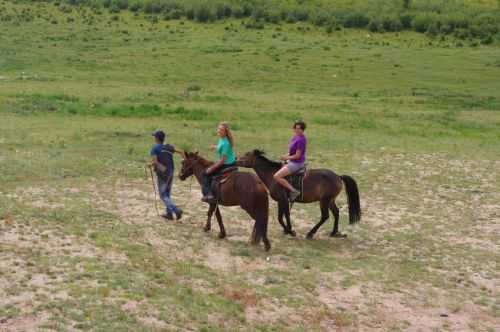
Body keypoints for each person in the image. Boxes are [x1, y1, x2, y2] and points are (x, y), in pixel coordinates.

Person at [149, 130, 183, 221]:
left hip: (162, 174)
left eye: (154, 137)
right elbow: (180, 151)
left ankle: (176, 210)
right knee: (167, 193)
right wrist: (184, 159)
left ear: (156, 138)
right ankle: (169, 214)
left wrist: (158, 168)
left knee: (163, 195)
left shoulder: (154, 148)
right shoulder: (168, 147)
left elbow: (156, 162)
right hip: (171, 172)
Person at [201, 122, 236, 203]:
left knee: (205, 174)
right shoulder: (222, 139)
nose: (219, 131)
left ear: (225, 132)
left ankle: (209, 195)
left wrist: (212, 168)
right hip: (227, 162)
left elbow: (223, 160)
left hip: (226, 164)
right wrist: (215, 147)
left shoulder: (226, 143)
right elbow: (220, 147)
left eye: (221, 130)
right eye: (218, 129)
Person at [274, 120, 307, 202]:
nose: (297, 130)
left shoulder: (301, 140)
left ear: (303, 129)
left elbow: (297, 156)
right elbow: (292, 151)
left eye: (299, 129)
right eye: (296, 128)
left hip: (297, 163)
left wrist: (287, 158)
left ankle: (294, 191)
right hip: (292, 160)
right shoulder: (295, 137)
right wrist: (286, 155)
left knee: (277, 176)